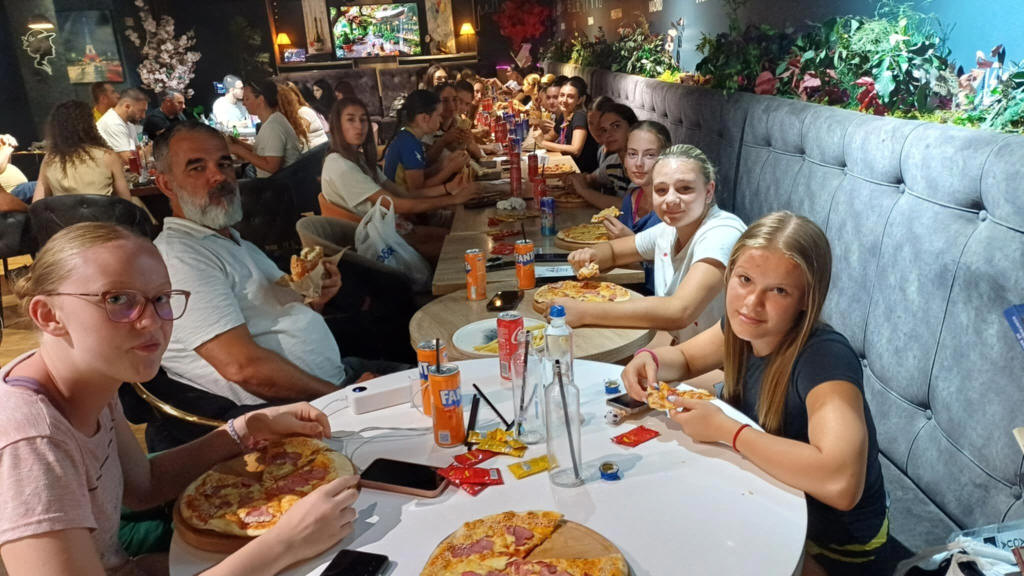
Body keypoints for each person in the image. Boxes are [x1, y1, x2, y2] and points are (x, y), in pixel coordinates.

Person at [0, 221, 360, 576]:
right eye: (117, 299)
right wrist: (285, 544)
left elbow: (143, 487)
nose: (151, 322)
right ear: (48, 315)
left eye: (160, 298)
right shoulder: (30, 440)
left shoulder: (92, 379)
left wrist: (245, 429)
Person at [620, 212, 889, 576]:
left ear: (807, 299)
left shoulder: (825, 359)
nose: (751, 303)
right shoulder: (741, 327)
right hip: (767, 499)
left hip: (835, 548)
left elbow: (842, 482)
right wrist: (649, 359)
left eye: (779, 291)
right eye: (745, 280)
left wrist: (728, 430)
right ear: (730, 274)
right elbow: (685, 359)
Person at [154, 122, 410, 413]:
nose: (219, 176)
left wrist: (317, 298)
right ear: (166, 184)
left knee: (438, 371)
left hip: (336, 377)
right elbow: (243, 369)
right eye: (197, 168)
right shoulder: (181, 258)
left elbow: (280, 321)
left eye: (224, 164)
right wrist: (343, 397)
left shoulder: (232, 241)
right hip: (310, 408)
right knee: (440, 392)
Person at [559, 145, 746, 343]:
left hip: (715, 359)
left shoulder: (722, 233)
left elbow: (680, 311)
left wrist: (584, 312)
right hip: (676, 346)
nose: (671, 199)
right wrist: (591, 255)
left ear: (708, 191)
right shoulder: (668, 230)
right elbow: (613, 251)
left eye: (685, 189)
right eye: (661, 190)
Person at [322, 98, 475, 263]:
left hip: (391, 227)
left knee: (459, 236)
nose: (359, 126)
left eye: (363, 120)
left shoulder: (359, 159)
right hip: (378, 242)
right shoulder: (340, 166)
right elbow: (397, 204)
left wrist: (449, 189)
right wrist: (452, 198)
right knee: (461, 245)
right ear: (337, 125)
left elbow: (404, 193)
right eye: (351, 120)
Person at [32, 101, 131, 202]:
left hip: (63, 212)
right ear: (90, 125)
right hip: (102, 212)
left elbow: (37, 202)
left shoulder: (49, 159)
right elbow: (126, 200)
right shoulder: (108, 156)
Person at [382, 89, 469, 196]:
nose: (441, 120)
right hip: (401, 203)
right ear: (424, 118)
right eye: (438, 115)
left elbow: (421, 175)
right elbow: (417, 191)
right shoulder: (409, 144)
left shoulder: (410, 138)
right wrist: (450, 170)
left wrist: (445, 164)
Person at [565, 102, 637, 208]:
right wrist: (577, 180)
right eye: (604, 130)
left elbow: (629, 206)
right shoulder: (613, 162)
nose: (608, 134)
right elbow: (592, 179)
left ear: (633, 128)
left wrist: (583, 190)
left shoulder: (644, 163)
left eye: (616, 126)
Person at [228, 79, 302, 177]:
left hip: (279, 184)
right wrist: (238, 143)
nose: (243, 103)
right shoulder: (274, 120)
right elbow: (262, 151)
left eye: (247, 99)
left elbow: (272, 166)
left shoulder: (273, 126)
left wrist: (238, 150)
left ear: (261, 99)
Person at [531, 76, 600, 173]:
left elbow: (575, 150)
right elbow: (550, 136)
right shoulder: (565, 115)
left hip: (581, 173)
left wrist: (543, 142)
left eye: (570, 97)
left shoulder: (580, 116)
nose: (564, 100)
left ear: (580, 100)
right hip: (566, 166)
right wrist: (535, 135)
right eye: (562, 95)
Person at [96, 88, 148, 163]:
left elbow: (138, 149)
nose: (143, 116)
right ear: (127, 106)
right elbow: (129, 160)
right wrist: (147, 151)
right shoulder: (113, 123)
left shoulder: (129, 122)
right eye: (141, 111)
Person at [276, 82, 328, 150]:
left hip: (315, 151)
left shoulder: (303, 112)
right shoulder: (296, 113)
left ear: (297, 97)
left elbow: (301, 138)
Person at [0, 134, 35, 203]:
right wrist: (7, 148)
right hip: (10, 193)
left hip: (17, 190)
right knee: (47, 186)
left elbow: (6, 164)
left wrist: (5, 144)